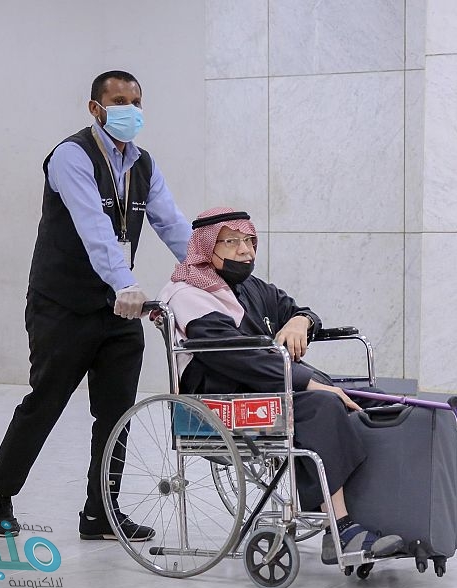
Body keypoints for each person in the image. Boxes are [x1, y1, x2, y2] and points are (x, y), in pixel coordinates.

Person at [0, 70, 192, 541]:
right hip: (63, 304)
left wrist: (210, 274)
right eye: (119, 101)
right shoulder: (71, 156)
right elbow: (95, 229)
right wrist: (126, 281)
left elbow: (173, 225)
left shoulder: (143, 165)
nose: (130, 110)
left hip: (118, 308)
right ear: (96, 108)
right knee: (47, 402)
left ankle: (101, 513)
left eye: (136, 102)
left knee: (116, 414)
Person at [157, 207, 404, 565]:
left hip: (273, 386)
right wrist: (309, 383)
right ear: (206, 248)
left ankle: (394, 511)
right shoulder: (189, 294)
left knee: (375, 403)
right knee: (323, 406)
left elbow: (300, 311)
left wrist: (301, 322)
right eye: (232, 242)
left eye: (249, 240)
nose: (245, 250)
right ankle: (341, 529)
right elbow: (235, 357)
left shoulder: (253, 288)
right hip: (222, 398)